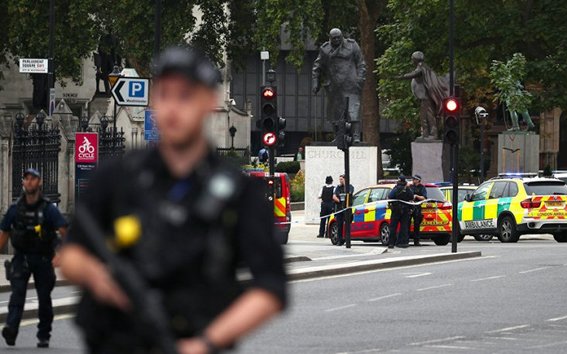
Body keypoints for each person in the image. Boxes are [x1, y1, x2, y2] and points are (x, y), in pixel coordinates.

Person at [58, 46, 287, 354]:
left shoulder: (237, 192)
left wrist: (206, 343)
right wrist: (96, 276)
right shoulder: (117, 177)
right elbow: (70, 254)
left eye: (185, 96)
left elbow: (271, 288)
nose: (172, 108)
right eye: (164, 95)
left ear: (210, 102)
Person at [0, 168, 68, 348]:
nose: (29, 182)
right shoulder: (15, 209)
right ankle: (11, 330)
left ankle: (44, 334)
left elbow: (64, 231)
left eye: (33, 179)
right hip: (21, 257)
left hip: (44, 259)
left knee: (44, 297)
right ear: (23, 182)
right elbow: (4, 233)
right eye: (26, 179)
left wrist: (62, 254)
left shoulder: (48, 209)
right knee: (17, 295)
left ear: (40, 182)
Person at [312, 28, 366, 143]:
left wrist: (360, 79)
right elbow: (317, 67)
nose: (336, 40)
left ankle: (356, 136)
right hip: (334, 86)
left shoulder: (352, 45)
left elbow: (361, 63)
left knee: (353, 110)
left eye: (338, 37)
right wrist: (315, 82)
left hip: (351, 83)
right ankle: (338, 136)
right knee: (334, 112)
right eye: (334, 38)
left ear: (342, 36)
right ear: (330, 38)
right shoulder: (325, 49)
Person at [388, 176, 414, 248]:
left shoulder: (396, 188)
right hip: (405, 210)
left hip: (396, 210)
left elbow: (390, 196)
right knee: (404, 227)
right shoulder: (407, 189)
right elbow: (411, 197)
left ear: (399, 180)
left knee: (393, 227)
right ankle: (403, 243)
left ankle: (391, 243)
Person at [332, 175, 354, 246]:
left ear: (345, 179)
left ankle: (347, 239)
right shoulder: (338, 187)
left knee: (347, 224)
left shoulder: (350, 187)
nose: (340, 181)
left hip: (347, 209)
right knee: (339, 225)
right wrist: (339, 201)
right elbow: (334, 196)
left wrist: (345, 184)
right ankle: (339, 240)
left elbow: (350, 193)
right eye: (340, 179)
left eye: (341, 179)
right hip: (339, 209)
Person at [410, 174, 427, 246]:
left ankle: (416, 241)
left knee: (417, 224)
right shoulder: (410, 187)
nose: (413, 180)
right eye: (413, 179)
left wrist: (417, 196)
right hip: (410, 206)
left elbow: (424, 197)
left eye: (414, 179)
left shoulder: (422, 188)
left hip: (417, 207)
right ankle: (405, 240)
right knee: (407, 223)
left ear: (418, 180)